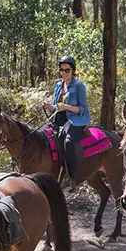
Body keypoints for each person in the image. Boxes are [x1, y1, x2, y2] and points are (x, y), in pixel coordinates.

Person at [43, 55, 90, 187]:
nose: (64, 73)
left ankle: (72, 177)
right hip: (58, 118)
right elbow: (55, 105)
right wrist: (50, 106)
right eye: (62, 70)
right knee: (44, 137)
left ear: (72, 70)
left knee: (68, 142)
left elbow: (83, 109)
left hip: (75, 120)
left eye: (67, 70)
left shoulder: (79, 86)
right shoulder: (59, 85)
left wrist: (66, 107)